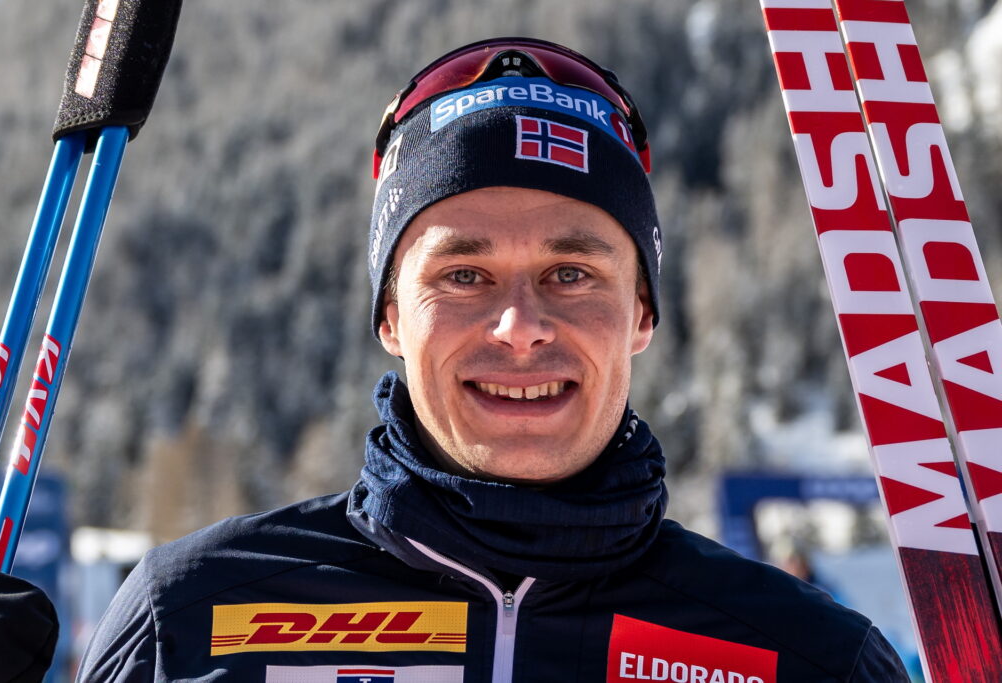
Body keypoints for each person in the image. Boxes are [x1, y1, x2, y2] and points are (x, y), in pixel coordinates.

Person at [75, 38, 907, 682]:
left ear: (643, 311)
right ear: (392, 314)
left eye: (571, 273)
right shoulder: (189, 617)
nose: (519, 326)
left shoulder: (803, 656)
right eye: (463, 274)